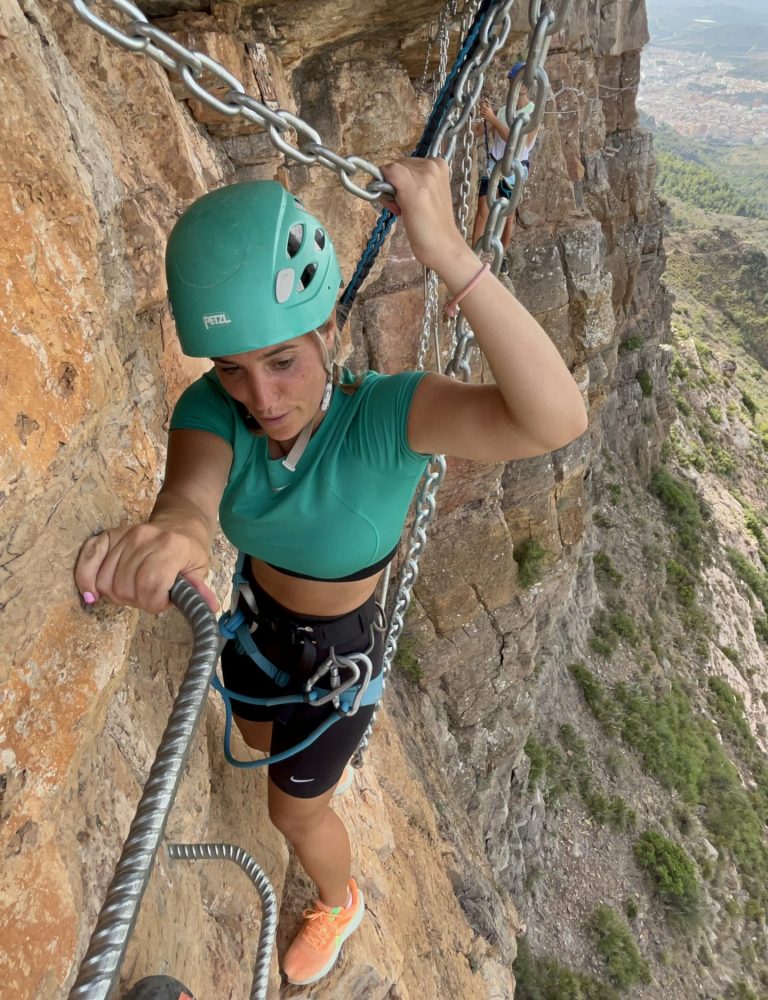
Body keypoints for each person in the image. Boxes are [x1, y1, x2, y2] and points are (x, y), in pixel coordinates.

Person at [75, 157, 587, 986]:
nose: (260, 397)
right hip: (253, 620)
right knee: (250, 733)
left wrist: (450, 254)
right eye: (232, 368)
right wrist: (172, 535)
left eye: (282, 361)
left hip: (338, 658)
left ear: (332, 334)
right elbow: (189, 498)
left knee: (293, 807)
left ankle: (339, 898)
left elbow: (554, 418)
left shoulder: (387, 416)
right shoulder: (212, 412)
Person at [471, 62, 540, 263]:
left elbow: (518, 142)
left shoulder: (532, 113)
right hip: (495, 163)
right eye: (512, 81)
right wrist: (479, 119)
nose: (514, 85)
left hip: (515, 169)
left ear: (526, 86)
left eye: (517, 82)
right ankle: (474, 255)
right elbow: (482, 131)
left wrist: (492, 119)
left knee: (507, 216)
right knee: (483, 210)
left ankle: (502, 256)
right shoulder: (502, 111)